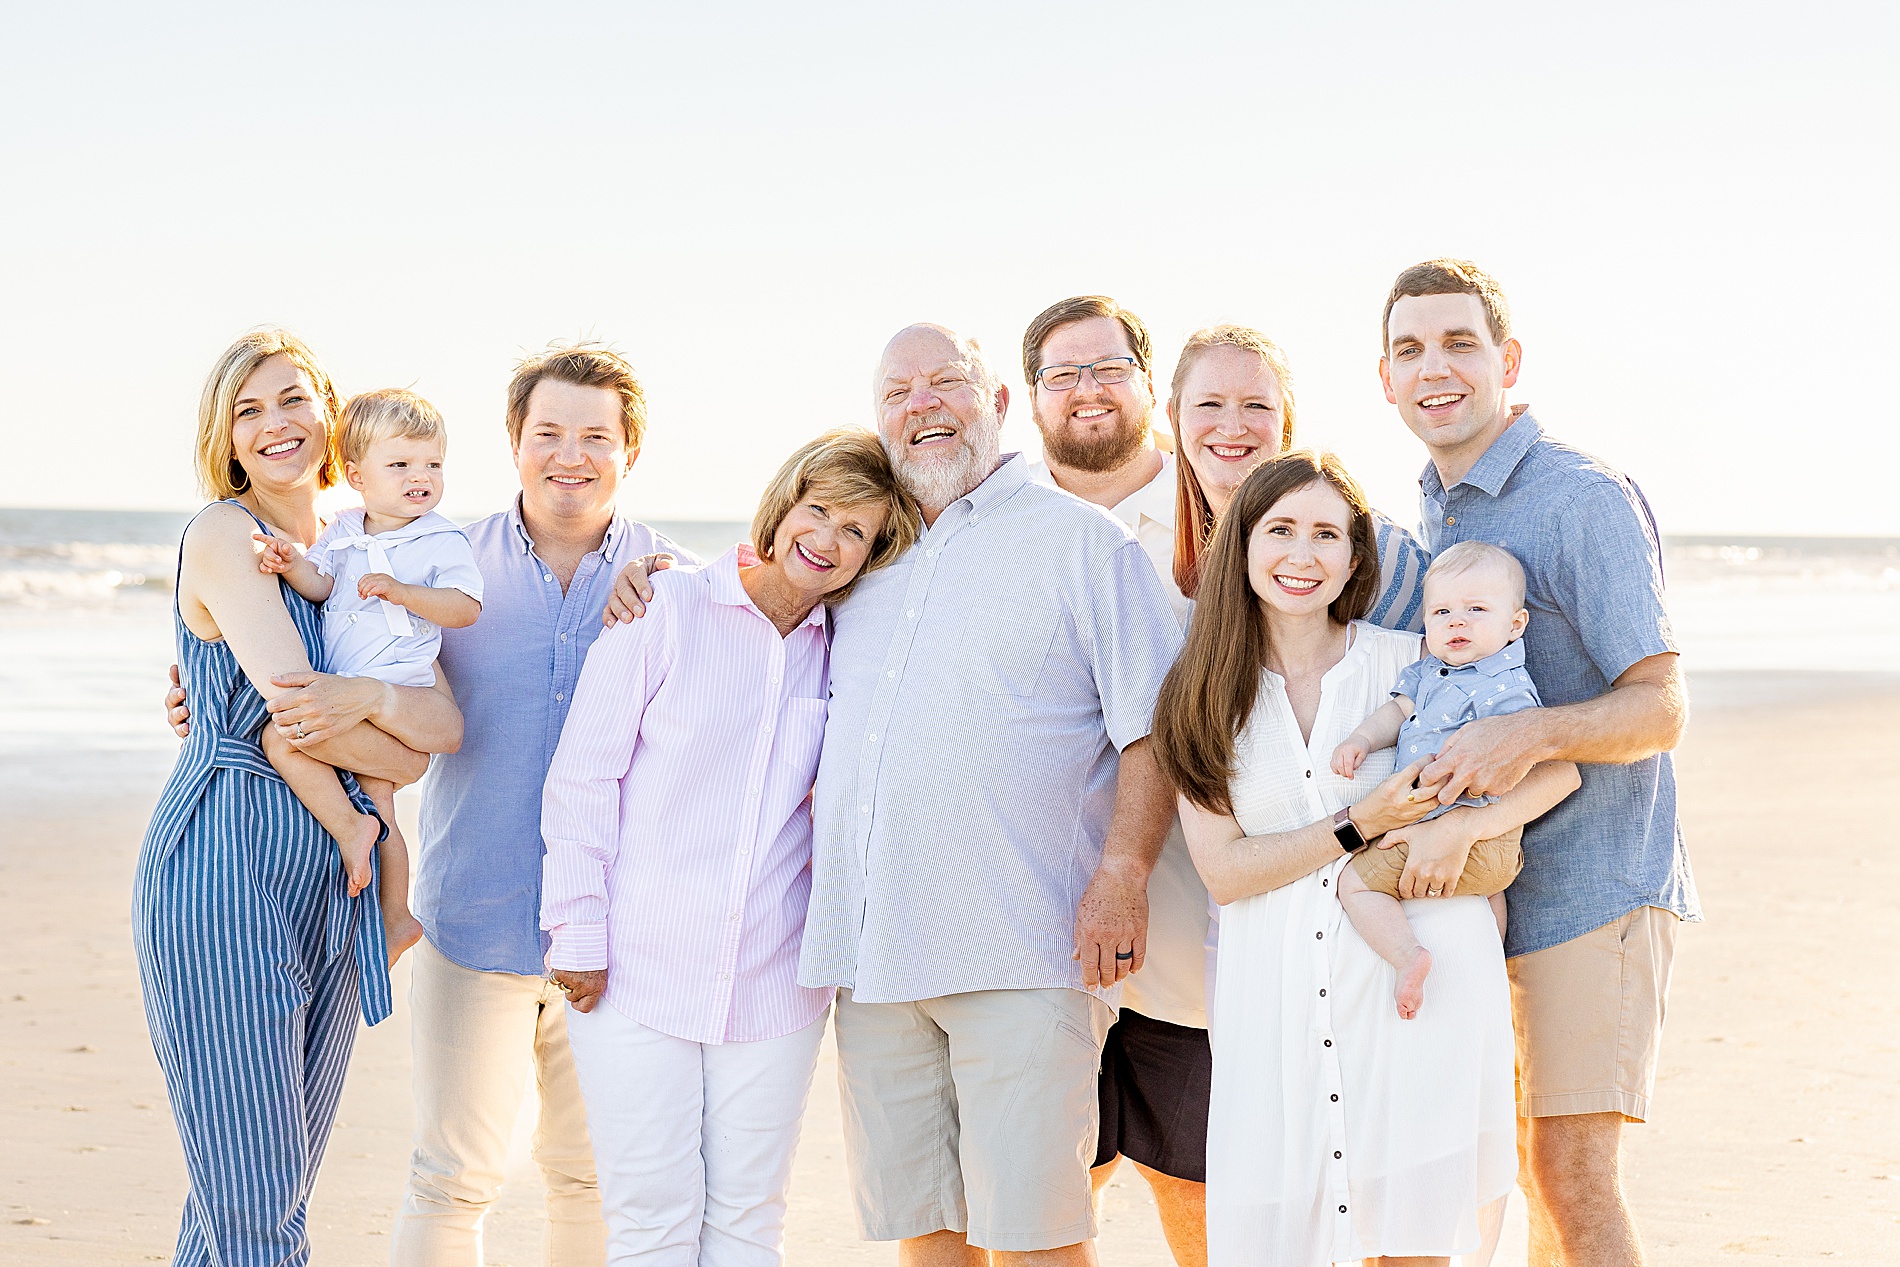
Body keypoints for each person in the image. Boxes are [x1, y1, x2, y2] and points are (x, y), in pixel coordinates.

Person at [167, 341, 692, 1265]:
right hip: (473, 916)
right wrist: (199, 691)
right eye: (548, 432)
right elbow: (334, 651)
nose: (570, 453)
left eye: (595, 435)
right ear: (515, 442)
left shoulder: (679, 583)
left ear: (631, 450)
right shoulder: (438, 557)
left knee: (589, 1174)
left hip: (620, 936)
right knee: (449, 1176)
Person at [808, 323, 1181, 1266]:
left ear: (1000, 405)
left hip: (1022, 949)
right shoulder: (860, 555)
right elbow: (749, 605)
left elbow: (1155, 731)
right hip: (873, 956)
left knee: (1035, 1242)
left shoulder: (1082, 543)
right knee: (925, 1238)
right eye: (898, 392)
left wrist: (1123, 872)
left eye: (947, 382)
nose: (922, 404)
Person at [1153, 451, 1580, 1265]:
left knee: (1418, 1241)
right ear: (1242, 544)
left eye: (1327, 534)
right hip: (1275, 1012)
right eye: (1280, 530)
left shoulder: (1415, 665)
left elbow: (1555, 766)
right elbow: (1226, 871)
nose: (1302, 555)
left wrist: (1462, 833)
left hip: (1420, 993)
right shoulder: (1200, 692)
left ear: (1356, 557)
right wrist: (1362, 822)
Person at [1378, 259, 1698, 1267]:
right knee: (1515, 1169)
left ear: (1506, 360)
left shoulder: (1579, 496)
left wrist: (1529, 735)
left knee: (1570, 1174)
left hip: (1594, 887)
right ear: (1382, 379)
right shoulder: (1441, 512)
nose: (1434, 368)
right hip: (1490, 894)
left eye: (1459, 342)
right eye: (1408, 348)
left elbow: (1662, 705)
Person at [541, 429, 917, 1265]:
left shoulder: (853, 652)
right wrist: (577, 933)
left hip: (775, 980)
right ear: (785, 507)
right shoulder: (665, 609)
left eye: (856, 531)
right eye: (820, 510)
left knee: (750, 1222)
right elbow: (581, 783)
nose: (828, 539)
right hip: (634, 970)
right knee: (651, 1223)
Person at [138, 329, 462, 1266]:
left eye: (291, 399)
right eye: (248, 409)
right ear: (226, 437)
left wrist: (392, 727)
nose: (275, 424)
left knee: (255, 1201)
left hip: (331, 880)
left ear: (329, 411)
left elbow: (447, 725)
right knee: (257, 1205)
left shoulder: (366, 543)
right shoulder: (223, 532)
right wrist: (394, 750)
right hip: (223, 865)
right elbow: (305, 716)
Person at [254, 387, 483, 965]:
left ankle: (390, 904)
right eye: (400, 465)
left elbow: (464, 607)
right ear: (357, 474)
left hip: (400, 686)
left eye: (432, 464)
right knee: (361, 792)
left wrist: (406, 593)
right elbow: (321, 584)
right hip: (346, 684)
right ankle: (371, 872)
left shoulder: (440, 537)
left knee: (353, 782)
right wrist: (292, 564)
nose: (419, 478)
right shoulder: (345, 529)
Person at [1330, 541, 1542, 1019]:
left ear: (1515, 624)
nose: (1456, 621)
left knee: (1354, 885)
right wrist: (1363, 740)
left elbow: (1523, 763)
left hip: (1466, 834)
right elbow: (1396, 711)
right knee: (1492, 895)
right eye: (1441, 611)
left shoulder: (1509, 690)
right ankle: (1490, 967)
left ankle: (1409, 957)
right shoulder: (1427, 671)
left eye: (1475, 609)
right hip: (1494, 855)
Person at [1165, 323, 1427, 619]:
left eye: (1256, 406)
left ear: (1285, 422)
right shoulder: (1157, 551)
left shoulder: (1379, 550)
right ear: (1174, 416)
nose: (1233, 428)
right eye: (1209, 403)